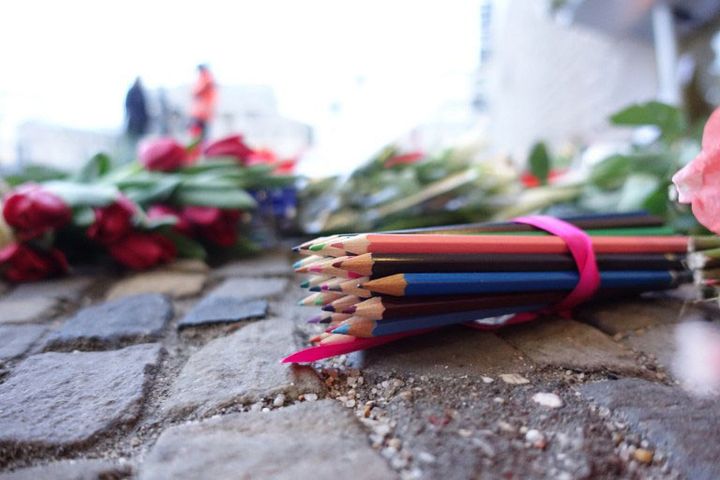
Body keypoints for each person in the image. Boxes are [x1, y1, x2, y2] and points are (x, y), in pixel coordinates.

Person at [189, 64, 217, 141]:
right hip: (202, 110)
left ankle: (201, 147)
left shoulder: (206, 77)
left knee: (201, 132)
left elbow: (196, 92)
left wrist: (194, 92)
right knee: (200, 132)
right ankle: (199, 146)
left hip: (203, 111)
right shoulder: (206, 78)